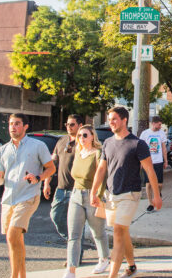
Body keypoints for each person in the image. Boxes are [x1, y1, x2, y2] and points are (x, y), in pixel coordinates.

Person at [90, 107, 162, 278]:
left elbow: (150, 171)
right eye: (109, 119)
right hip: (111, 195)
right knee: (122, 231)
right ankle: (131, 265)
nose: (111, 122)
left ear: (124, 120)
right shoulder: (107, 143)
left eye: (114, 119)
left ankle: (112, 275)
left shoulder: (137, 144)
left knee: (117, 232)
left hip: (130, 195)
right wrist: (94, 192)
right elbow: (101, 169)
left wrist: (156, 196)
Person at [0, 113, 56, 278]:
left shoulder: (37, 146)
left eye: (17, 123)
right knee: (14, 240)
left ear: (25, 126)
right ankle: (22, 275)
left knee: (13, 234)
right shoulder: (2, 150)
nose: (13, 127)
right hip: (8, 199)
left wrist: (38, 178)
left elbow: (51, 168)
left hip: (28, 196)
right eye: (11, 124)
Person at [63, 125, 109, 278]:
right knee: (74, 235)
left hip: (92, 194)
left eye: (84, 135)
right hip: (75, 194)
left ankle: (103, 259)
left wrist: (98, 195)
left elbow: (102, 176)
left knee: (98, 231)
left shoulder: (97, 153)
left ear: (92, 136)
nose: (81, 138)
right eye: (80, 136)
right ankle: (71, 269)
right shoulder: (78, 152)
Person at [44, 115, 84, 243]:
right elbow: (52, 164)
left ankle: (76, 253)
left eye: (72, 124)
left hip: (77, 190)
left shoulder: (83, 142)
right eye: (67, 124)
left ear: (80, 126)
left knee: (77, 224)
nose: (68, 127)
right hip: (61, 189)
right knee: (55, 216)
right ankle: (72, 241)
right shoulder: (61, 141)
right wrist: (47, 183)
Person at [139, 115, 168, 213]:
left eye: (161, 124)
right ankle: (150, 203)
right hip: (148, 162)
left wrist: (166, 160)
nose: (160, 126)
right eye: (159, 124)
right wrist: (141, 162)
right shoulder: (145, 133)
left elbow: (164, 148)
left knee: (159, 184)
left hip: (158, 161)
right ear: (153, 123)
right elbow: (141, 149)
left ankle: (158, 194)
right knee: (148, 184)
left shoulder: (161, 134)